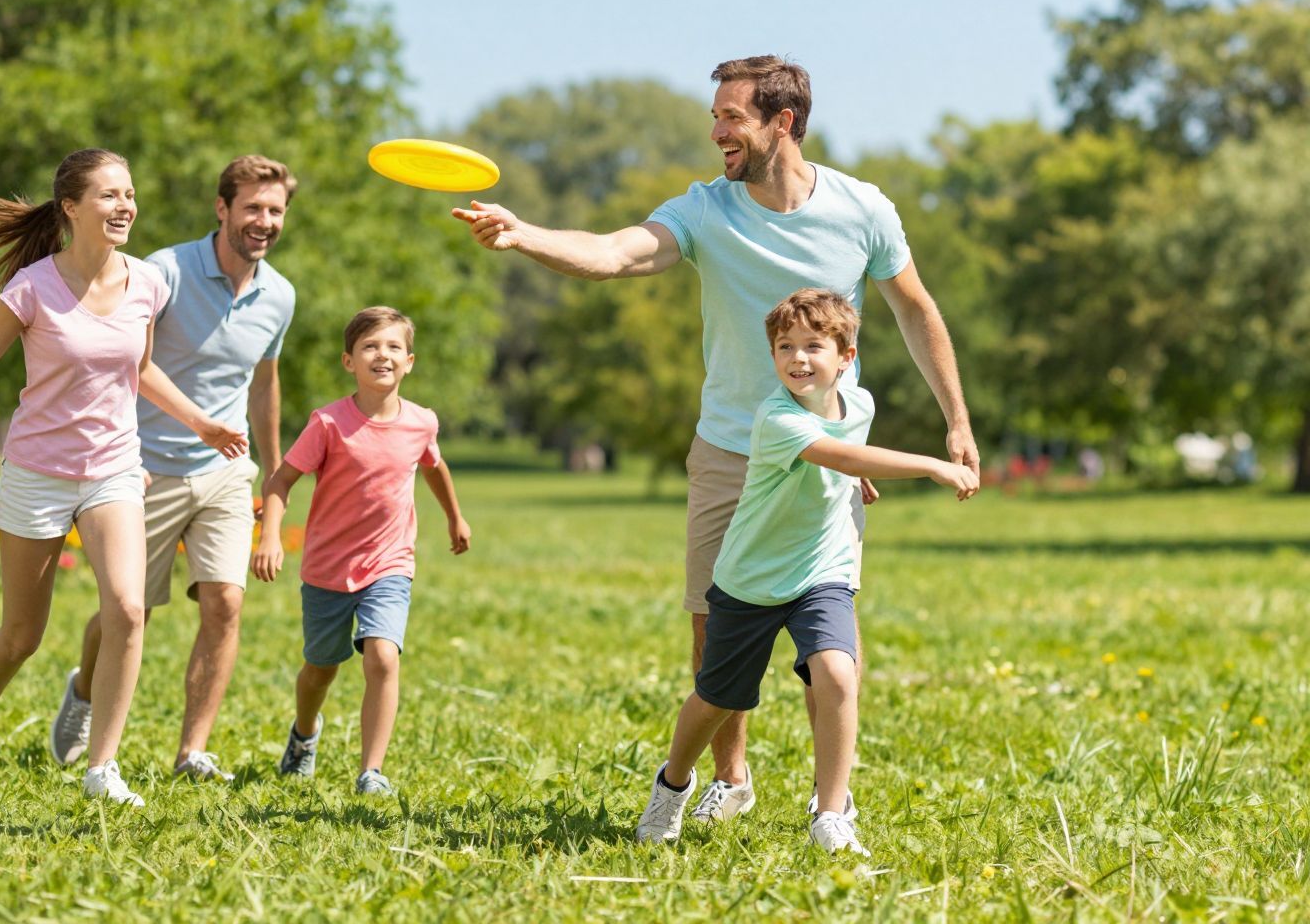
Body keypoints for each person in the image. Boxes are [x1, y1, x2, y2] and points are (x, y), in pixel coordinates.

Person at [453, 55, 979, 827]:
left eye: (731, 117)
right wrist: (525, 235)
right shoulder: (706, 211)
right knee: (715, 635)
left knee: (828, 636)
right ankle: (729, 778)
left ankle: (832, 800)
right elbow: (614, 254)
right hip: (729, 449)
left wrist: (956, 420)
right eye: (716, 116)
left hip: (825, 457)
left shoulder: (863, 209)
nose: (716, 132)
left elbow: (914, 310)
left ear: (783, 123)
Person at [0, 148, 248, 806]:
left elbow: (140, 369)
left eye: (129, 194)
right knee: (21, 636)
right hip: (37, 473)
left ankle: (102, 768)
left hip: (113, 468)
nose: (125, 205)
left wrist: (200, 422)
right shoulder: (32, 288)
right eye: (109, 195)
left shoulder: (147, 284)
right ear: (71, 208)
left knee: (128, 609)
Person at [634, 289, 977, 853]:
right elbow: (840, 455)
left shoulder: (858, 404)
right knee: (717, 699)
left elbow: (845, 452)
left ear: (846, 356)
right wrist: (930, 465)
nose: (797, 358)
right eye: (784, 347)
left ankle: (833, 813)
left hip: (822, 571)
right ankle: (672, 785)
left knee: (839, 674)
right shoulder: (776, 417)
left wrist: (851, 477)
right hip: (751, 580)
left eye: (813, 346)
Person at [50, 155, 298, 782]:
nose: (263, 221)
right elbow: (126, 360)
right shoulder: (166, 271)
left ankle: (192, 751)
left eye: (275, 211)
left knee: (224, 604)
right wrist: (121, 454)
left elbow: (264, 385)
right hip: (147, 465)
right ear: (223, 209)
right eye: (252, 208)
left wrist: (271, 474)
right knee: (126, 610)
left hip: (226, 469)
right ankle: (84, 688)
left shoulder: (280, 296)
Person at [251, 306, 471, 795]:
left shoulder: (421, 422)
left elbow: (433, 466)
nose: (382, 355)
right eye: (370, 346)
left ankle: (371, 771)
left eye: (393, 347)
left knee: (383, 657)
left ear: (409, 361)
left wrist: (454, 515)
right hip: (328, 569)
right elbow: (282, 480)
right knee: (320, 668)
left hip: (390, 563)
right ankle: (304, 733)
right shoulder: (328, 423)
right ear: (349, 361)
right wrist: (269, 535)